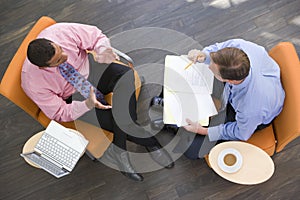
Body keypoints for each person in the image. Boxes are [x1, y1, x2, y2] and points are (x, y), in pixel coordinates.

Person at [22, 22, 174, 182]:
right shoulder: (32, 82)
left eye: (61, 50)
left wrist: (102, 51)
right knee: (119, 121)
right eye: (59, 60)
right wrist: (87, 104)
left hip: (91, 69)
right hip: (76, 97)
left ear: (53, 42)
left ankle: (119, 149)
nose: (65, 57)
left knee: (126, 75)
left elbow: (95, 36)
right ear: (45, 67)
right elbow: (59, 112)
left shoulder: (58, 32)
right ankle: (151, 143)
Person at [151, 38, 285, 159]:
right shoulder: (238, 47)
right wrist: (203, 54)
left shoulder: (251, 108)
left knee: (192, 151)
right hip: (248, 93)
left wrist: (201, 130)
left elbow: (241, 133)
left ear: (229, 81)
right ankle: (172, 111)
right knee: (179, 78)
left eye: (213, 68)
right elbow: (215, 50)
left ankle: (176, 124)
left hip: (250, 120)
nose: (209, 65)